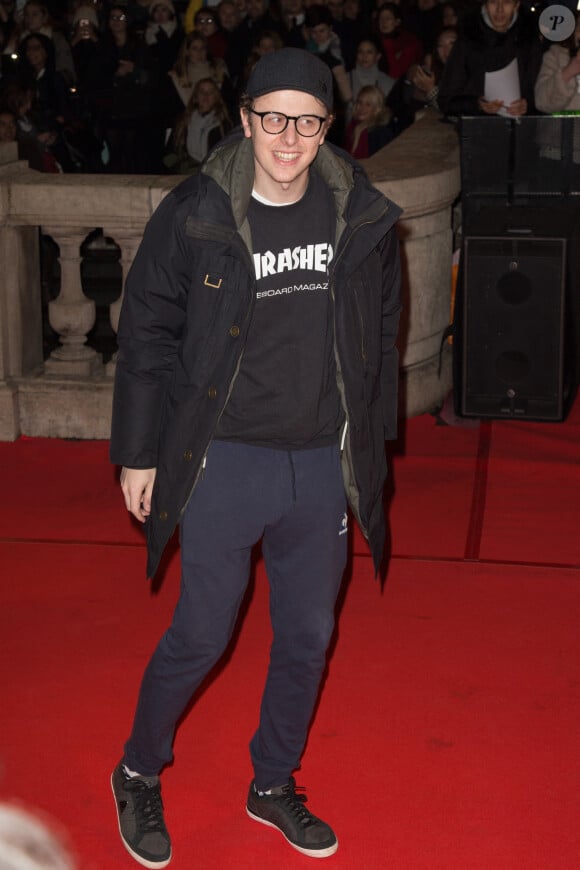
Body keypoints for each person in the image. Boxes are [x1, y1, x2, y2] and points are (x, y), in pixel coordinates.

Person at [109, 46, 401, 868]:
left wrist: (367, 448)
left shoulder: (360, 212)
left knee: (308, 635)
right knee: (202, 632)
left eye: (307, 121)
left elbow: (380, 333)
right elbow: (147, 336)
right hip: (222, 456)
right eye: (273, 118)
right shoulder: (196, 211)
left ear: (327, 128)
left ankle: (272, 782)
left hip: (318, 462)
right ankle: (137, 769)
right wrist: (139, 453)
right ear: (243, 120)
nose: (289, 137)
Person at [437, 0, 542, 118]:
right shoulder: (468, 40)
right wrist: (477, 104)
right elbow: (446, 99)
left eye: (506, 2)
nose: (499, 9)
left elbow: (542, 93)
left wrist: (527, 104)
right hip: (478, 128)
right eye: (493, 2)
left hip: (522, 128)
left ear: (516, 5)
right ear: (485, 5)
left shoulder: (528, 39)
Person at [344, 82, 395, 157]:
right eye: (359, 102)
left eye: (368, 104)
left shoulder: (381, 133)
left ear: (376, 109)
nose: (362, 108)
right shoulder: (352, 126)